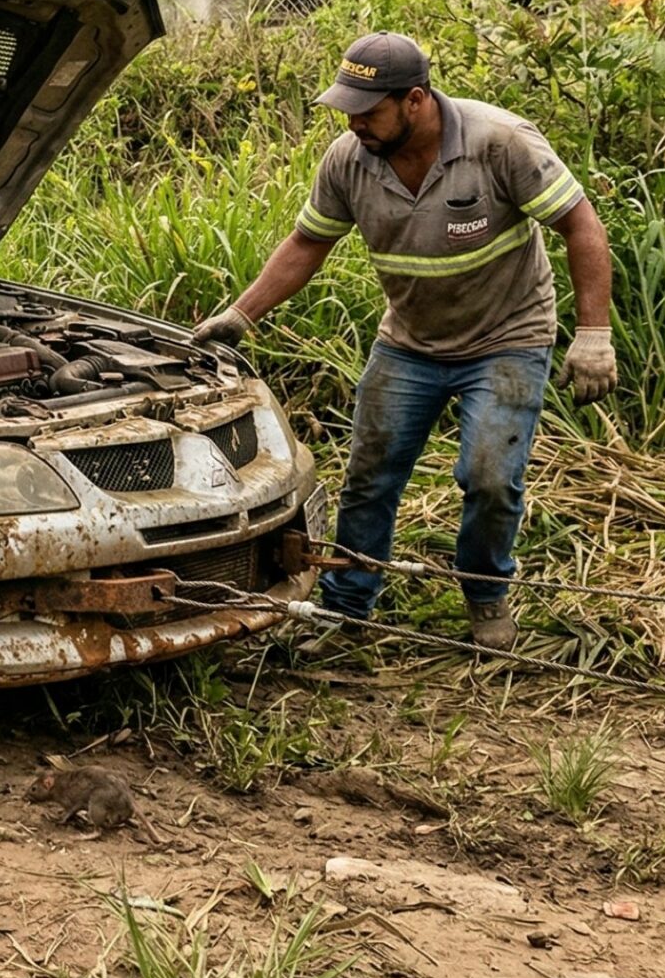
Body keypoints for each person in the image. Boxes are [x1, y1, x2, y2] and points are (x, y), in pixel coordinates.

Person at [191, 32, 617, 649]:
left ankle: (486, 596)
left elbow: (580, 223)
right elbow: (308, 243)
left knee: (489, 476)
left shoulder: (500, 142)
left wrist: (594, 334)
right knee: (369, 476)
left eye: (367, 111)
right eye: (347, 110)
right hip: (409, 344)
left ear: (414, 100)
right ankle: (347, 609)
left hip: (507, 337)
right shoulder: (348, 159)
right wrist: (241, 315)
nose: (353, 122)